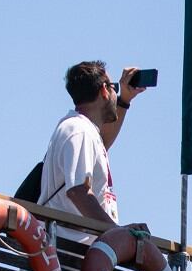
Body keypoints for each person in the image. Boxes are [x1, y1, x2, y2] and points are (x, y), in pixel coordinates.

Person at [38, 61, 146, 228]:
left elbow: (101, 144)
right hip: (70, 247)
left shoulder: (82, 130)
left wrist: (124, 99)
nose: (115, 94)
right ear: (104, 90)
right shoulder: (80, 130)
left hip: (77, 244)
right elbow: (78, 191)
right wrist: (117, 232)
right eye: (113, 88)